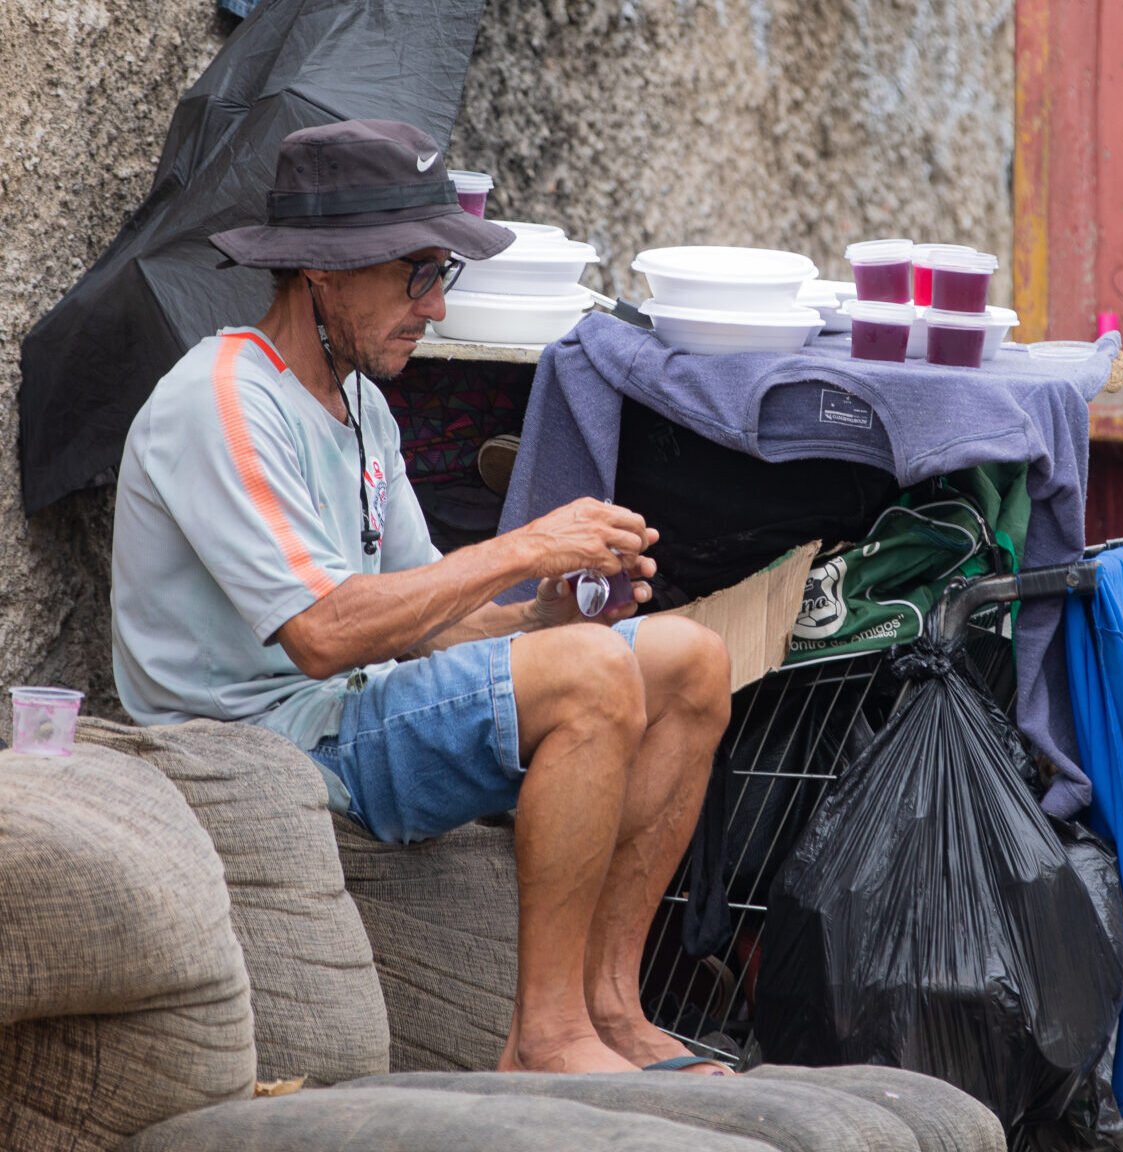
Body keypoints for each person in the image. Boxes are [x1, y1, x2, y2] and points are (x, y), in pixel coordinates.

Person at [110, 120, 737, 1076]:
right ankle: (544, 1037)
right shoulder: (222, 399)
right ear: (323, 272)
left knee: (690, 660)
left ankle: (610, 1006)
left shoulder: (360, 405)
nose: (436, 307)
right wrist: (522, 548)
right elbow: (323, 634)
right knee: (588, 681)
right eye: (416, 274)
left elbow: (428, 620)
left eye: (443, 274)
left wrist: (542, 617)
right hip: (266, 733)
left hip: (351, 705)